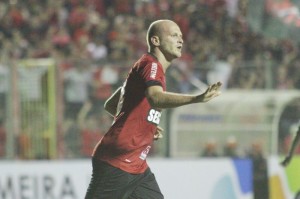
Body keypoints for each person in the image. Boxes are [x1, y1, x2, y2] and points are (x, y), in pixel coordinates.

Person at [84, 19, 222, 199]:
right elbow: (155, 97)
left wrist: (145, 122)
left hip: (137, 166)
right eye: (174, 35)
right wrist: (196, 98)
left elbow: (111, 104)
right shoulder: (151, 64)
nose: (180, 40)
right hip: (117, 161)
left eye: (181, 36)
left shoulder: (147, 67)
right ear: (156, 41)